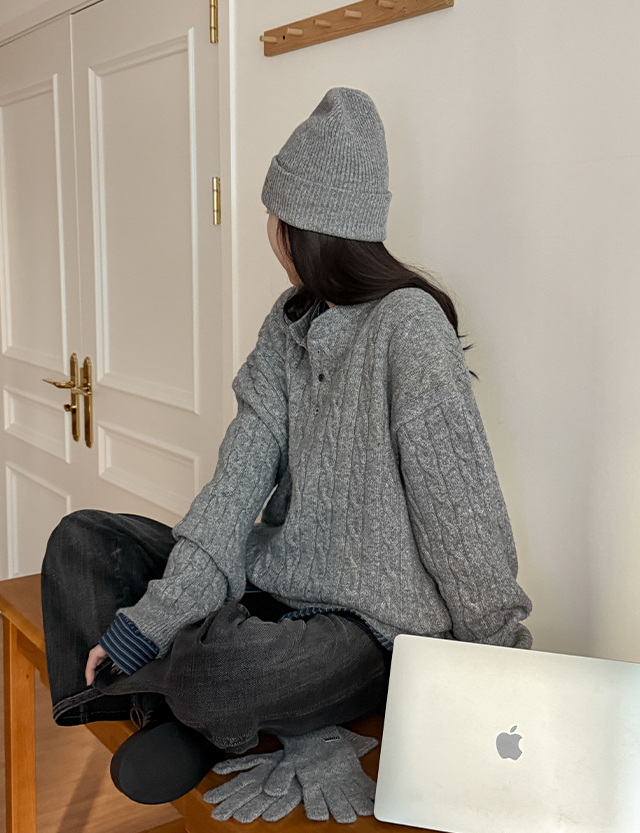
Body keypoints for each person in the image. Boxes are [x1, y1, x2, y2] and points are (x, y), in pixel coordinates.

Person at [41, 87, 533, 824]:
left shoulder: (409, 327)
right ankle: (183, 710)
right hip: (269, 587)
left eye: (276, 215)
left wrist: (501, 661)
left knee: (220, 668)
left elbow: (460, 511)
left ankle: (186, 703)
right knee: (82, 539)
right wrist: (153, 618)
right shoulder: (288, 323)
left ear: (305, 226)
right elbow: (236, 485)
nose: (270, 230)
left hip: (364, 629)